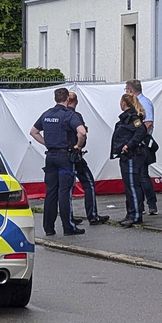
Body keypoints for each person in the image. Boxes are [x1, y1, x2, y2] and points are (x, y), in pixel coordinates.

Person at [29, 88, 87, 236]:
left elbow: (33, 132)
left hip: (50, 157)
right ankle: (68, 227)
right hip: (64, 157)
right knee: (64, 192)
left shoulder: (47, 114)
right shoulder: (69, 115)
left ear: (55, 98)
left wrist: (47, 143)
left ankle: (48, 228)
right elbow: (82, 132)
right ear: (67, 98)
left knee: (51, 192)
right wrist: (78, 146)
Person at [67, 92, 110, 226]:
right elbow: (82, 133)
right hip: (75, 155)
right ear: (76, 102)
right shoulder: (75, 116)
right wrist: (79, 146)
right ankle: (92, 215)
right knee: (88, 183)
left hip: (61, 155)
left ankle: (68, 217)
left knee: (66, 188)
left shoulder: (57, 115)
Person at [110, 94, 148, 227]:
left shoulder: (134, 118)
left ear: (124, 103)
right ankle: (130, 213)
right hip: (126, 156)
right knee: (129, 186)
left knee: (132, 185)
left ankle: (136, 215)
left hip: (132, 155)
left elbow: (141, 131)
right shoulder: (126, 118)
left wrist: (129, 145)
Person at [125, 79, 158, 215]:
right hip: (135, 142)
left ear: (130, 90)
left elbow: (148, 123)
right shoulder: (136, 103)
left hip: (142, 143)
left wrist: (138, 137)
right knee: (138, 175)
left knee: (143, 175)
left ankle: (151, 204)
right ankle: (141, 205)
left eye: (126, 90)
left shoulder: (144, 103)